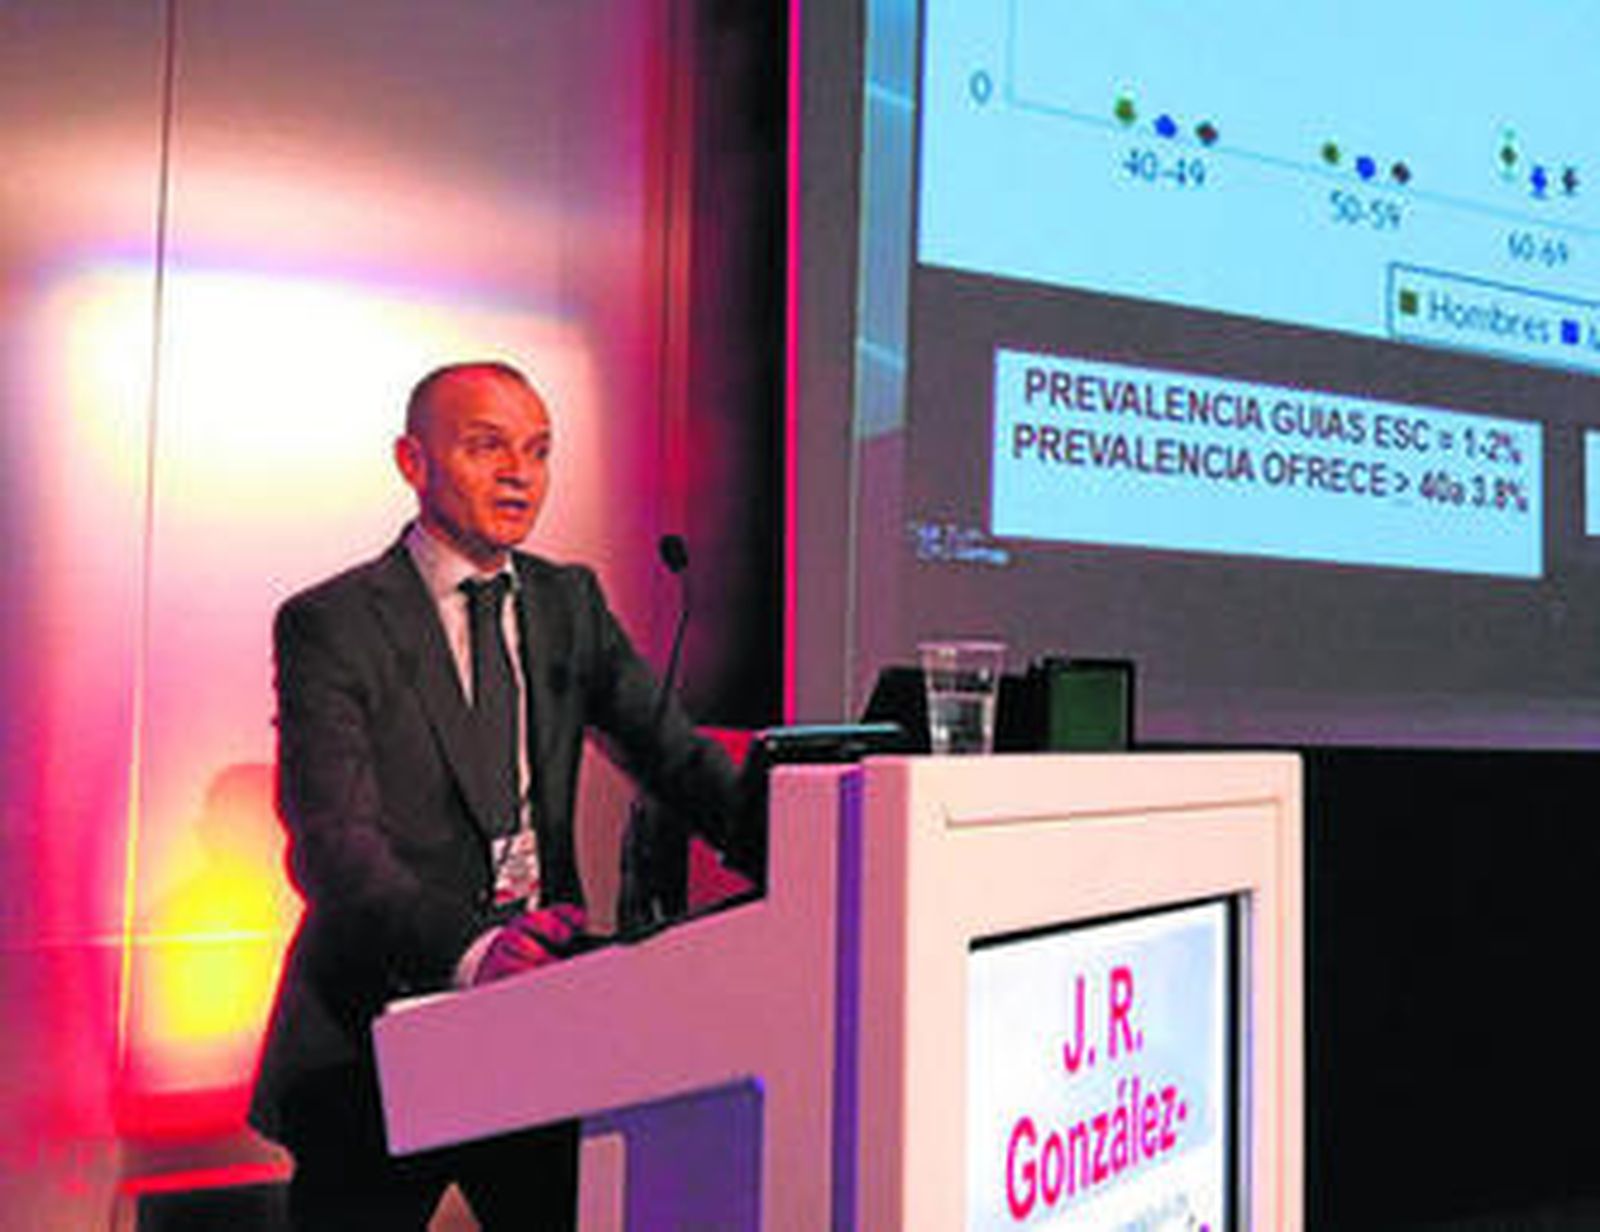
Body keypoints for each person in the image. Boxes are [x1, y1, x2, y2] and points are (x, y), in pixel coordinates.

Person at [249, 360, 751, 1229]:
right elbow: (334, 848)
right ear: (414, 461)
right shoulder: (332, 622)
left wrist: (826, 851)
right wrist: (477, 948)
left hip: (541, 1029)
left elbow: (680, 761)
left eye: (539, 450)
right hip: (378, 1034)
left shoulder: (569, 603)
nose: (521, 473)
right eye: (488, 447)